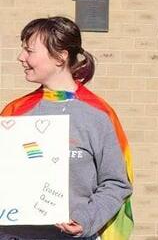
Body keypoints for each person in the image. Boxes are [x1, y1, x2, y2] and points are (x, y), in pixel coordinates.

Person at [0, 17, 133, 240]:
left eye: (29, 51)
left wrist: (85, 219)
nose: (21, 57)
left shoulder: (99, 115)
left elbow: (117, 183)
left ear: (60, 57)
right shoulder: (14, 113)